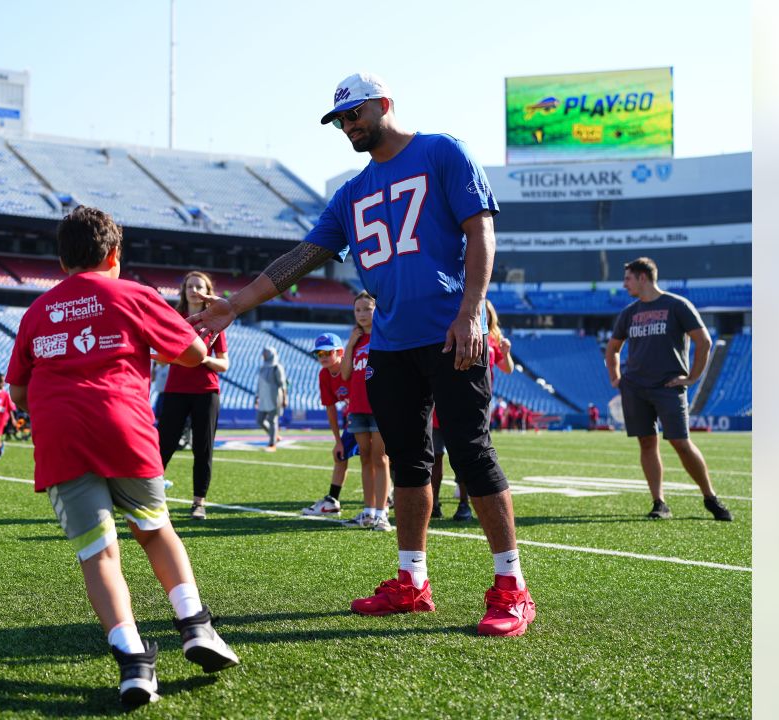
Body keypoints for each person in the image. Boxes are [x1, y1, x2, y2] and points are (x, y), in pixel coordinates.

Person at [188, 72, 535, 636]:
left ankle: (511, 588)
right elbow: (304, 255)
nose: (349, 126)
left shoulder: (442, 151)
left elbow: (480, 230)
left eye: (355, 115)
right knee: (408, 463)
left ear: (383, 105)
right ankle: (412, 581)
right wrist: (237, 304)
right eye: (341, 121)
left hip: (450, 331)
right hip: (393, 343)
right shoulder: (351, 192)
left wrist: (472, 310)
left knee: (471, 453)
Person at [5, 206, 238, 705]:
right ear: (114, 254)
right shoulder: (135, 294)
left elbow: (19, 394)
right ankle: (196, 625)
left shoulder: (37, 311)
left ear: (61, 260)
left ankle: (134, 660)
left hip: (62, 435)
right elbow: (194, 356)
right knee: (155, 531)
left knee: (99, 552)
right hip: (125, 427)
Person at [604, 257, 733, 521]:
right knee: (647, 443)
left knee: (681, 442)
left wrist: (692, 378)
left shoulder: (677, 305)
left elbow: (704, 341)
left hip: (668, 386)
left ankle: (710, 497)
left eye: (628, 278)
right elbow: (613, 348)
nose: (624, 284)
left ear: (643, 277)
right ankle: (659, 502)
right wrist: (616, 378)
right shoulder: (629, 312)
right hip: (636, 388)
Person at [433, 299, 515, 522]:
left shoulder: (492, 340)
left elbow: (507, 368)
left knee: (467, 455)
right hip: (443, 398)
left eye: (485, 312)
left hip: (474, 402)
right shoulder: (452, 331)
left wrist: (506, 352)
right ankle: (434, 503)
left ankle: (463, 504)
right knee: (435, 457)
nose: (481, 315)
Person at [157, 271, 230, 521]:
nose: (194, 290)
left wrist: (203, 358)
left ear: (208, 290)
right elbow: (164, 355)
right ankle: (151, 498)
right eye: (190, 285)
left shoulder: (216, 321)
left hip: (206, 392)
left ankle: (199, 502)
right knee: (163, 446)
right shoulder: (175, 318)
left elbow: (224, 365)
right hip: (175, 390)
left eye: (199, 286)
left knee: (203, 449)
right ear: (183, 289)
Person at [339, 291, 393, 532]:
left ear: (376, 310)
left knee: (381, 458)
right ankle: (368, 511)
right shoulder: (356, 340)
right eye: (357, 310)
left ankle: (382, 513)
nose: (362, 314)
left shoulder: (385, 335)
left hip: (381, 405)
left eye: (367, 309)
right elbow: (345, 374)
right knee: (365, 457)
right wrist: (350, 344)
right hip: (358, 406)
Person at [301, 333, 360, 516]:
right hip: (354, 418)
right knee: (340, 455)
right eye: (319, 354)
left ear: (340, 352)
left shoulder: (353, 368)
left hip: (373, 416)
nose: (323, 357)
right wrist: (338, 441)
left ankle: (388, 496)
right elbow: (330, 408)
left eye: (328, 352)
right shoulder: (324, 374)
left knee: (378, 457)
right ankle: (332, 500)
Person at [255, 347, 288, 452]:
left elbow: (283, 385)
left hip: (274, 397)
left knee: (272, 420)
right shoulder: (262, 368)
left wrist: (284, 398)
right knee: (260, 420)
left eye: (265, 353)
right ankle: (274, 435)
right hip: (264, 398)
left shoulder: (277, 367)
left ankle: (272, 443)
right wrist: (257, 397)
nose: (263, 355)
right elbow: (259, 384)